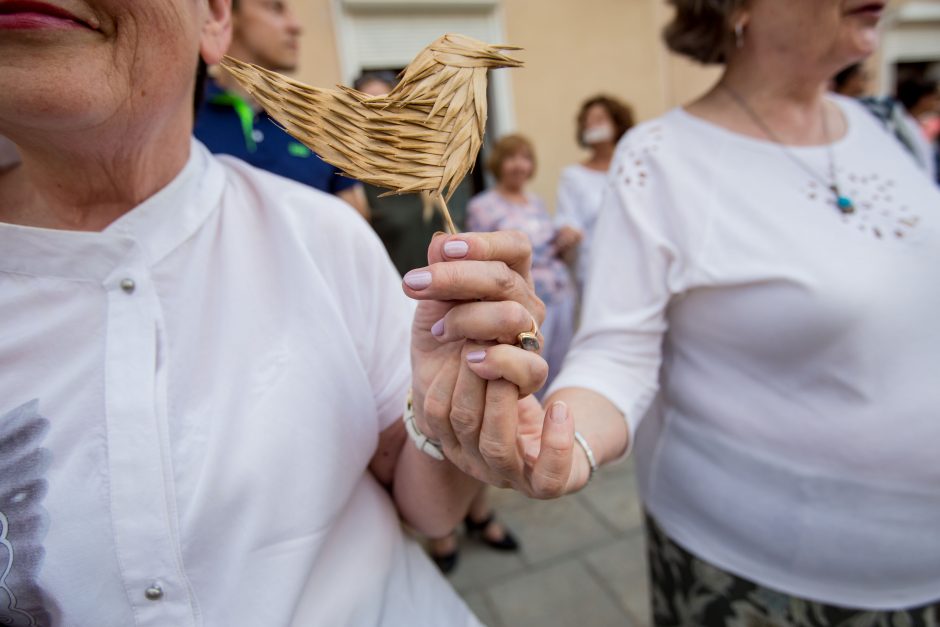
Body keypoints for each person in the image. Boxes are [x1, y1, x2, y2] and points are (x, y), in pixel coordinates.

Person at [0, 1, 563, 624]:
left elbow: (425, 505)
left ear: (213, 19)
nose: (292, 21)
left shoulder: (323, 234)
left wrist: (448, 421)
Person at [423, 0, 940, 624]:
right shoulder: (661, 157)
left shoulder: (893, 127)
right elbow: (618, 352)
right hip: (770, 575)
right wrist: (562, 436)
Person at [194, 0, 370, 218]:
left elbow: (353, 226)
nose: (296, 26)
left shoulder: (322, 121)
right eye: (275, 8)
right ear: (226, 12)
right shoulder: (182, 117)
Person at [467, 134, 578, 393]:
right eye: (511, 157)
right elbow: (481, 261)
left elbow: (547, 248)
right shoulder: (482, 206)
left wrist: (565, 240)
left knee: (560, 366)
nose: (519, 165)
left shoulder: (536, 202)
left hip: (560, 296)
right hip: (523, 302)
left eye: (525, 158)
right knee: (531, 368)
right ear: (498, 163)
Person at [354, 71, 472, 276]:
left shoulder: (420, 162)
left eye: (386, 103)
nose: (379, 112)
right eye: (368, 104)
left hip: (441, 286)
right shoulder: (353, 178)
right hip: (397, 295)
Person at [555, 95, 634, 295]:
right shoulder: (572, 176)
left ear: (617, 124)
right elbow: (567, 218)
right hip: (593, 269)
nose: (591, 125)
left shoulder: (634, 168)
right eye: (587, 121)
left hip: (634, 265)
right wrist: (567, 233)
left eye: (599, 119)